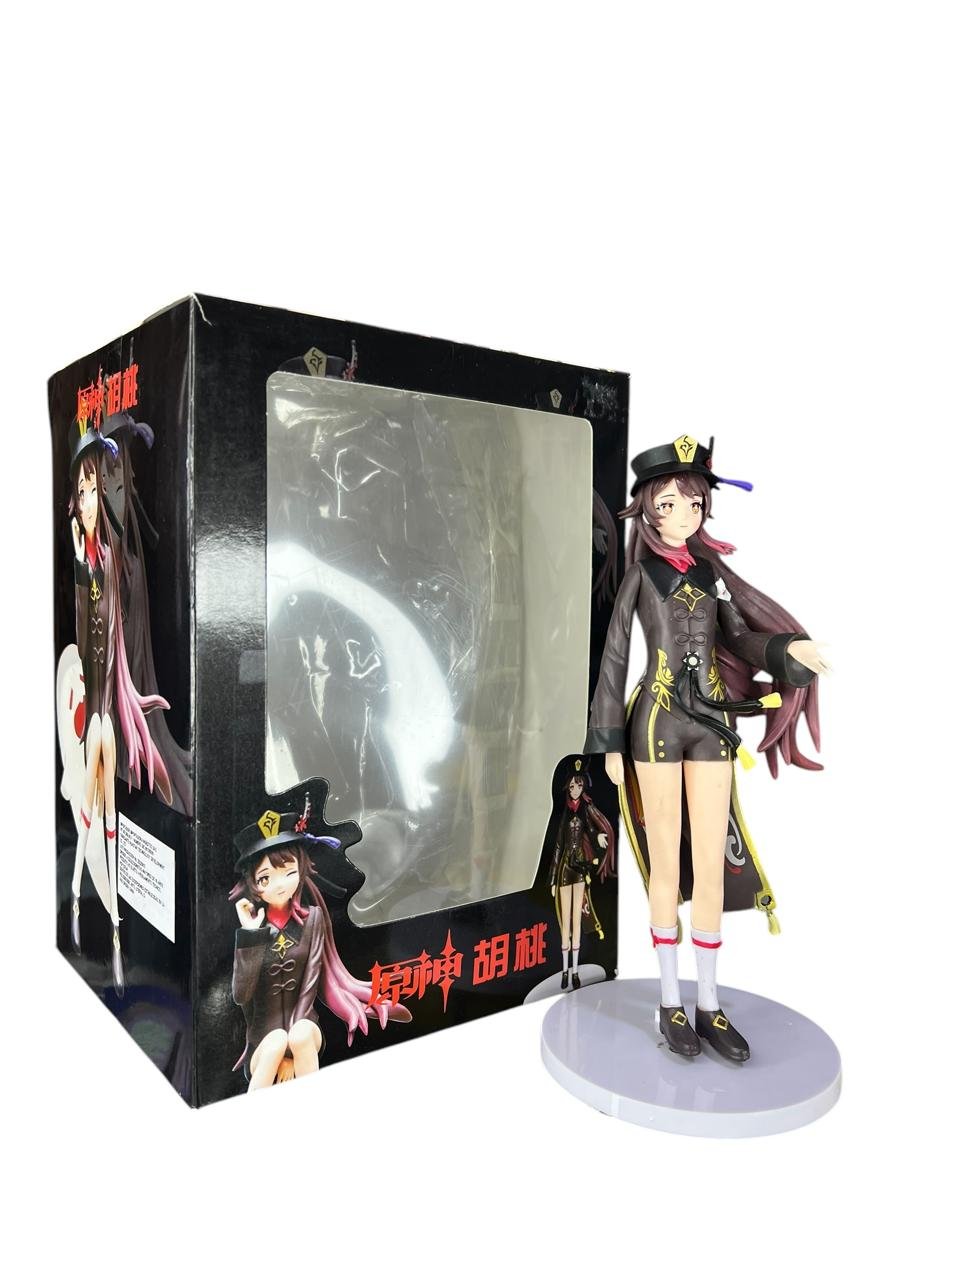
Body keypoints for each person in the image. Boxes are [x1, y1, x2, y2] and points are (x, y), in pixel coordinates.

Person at [584, 435, 827, 1061]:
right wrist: (608, 740)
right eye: (667, 504)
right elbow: (615, 658)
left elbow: (741, 638)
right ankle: (671, 1000)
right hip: (657, 724)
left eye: (692, 503)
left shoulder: (713, 575)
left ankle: (709, 1003)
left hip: (714, 724)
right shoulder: (641, 575)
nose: (682, 514)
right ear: (647, 509)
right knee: (666, 861)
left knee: (711, 863)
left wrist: (786, 652)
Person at [67, 423, 172, 995]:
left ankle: (104, 912)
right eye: (85, 490)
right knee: (92, 803)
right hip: (96, 707)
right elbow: (88, 639)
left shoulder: (113, 561)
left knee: (104, 806)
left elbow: (115, 639)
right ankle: (85, 894)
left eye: (99, 488)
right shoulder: (86, 563)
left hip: (112, 706)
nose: (92, 499)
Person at [229, 795, 412, 1090]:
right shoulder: (253, 928)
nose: (279, 884)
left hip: (305, 1031)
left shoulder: (312, 920)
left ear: (301, 870)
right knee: (275, 1041)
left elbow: (310, 983)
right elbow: (241, 995)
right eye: (265, 878)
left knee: (300, 1033)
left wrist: (292, 1052)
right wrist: (250, 935)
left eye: (288, 872)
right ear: (254, 885)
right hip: (263, 1044)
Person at [549, 760, 615, 990]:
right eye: (572, 786)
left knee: (577, 919)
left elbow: (593, 829)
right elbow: (558, 845)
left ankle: (575, 971)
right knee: (565, 921)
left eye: (578, 785)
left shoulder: (586, 810)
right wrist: (552, 879)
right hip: (564, 869)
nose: (575, 789)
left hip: (580, 869)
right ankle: (564, 970)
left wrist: (599, 837)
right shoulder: (565, 813)